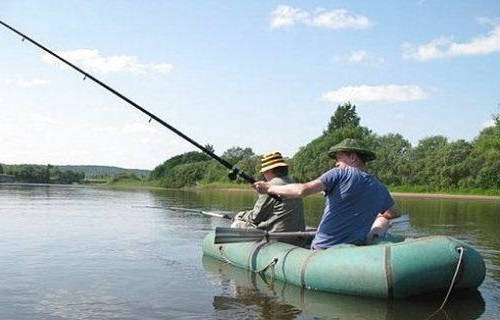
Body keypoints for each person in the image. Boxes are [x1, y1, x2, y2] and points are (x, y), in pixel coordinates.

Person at [254, 138, 400, 250]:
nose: (336, 163)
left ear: (353, 157)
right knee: (383, 220)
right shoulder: (380, 187)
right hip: (354, 250)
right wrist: (376, 215)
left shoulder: (339, 174)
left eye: (339, 158)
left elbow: (302, 190)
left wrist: (269, 188)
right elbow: (394, 213)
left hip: (324, 249)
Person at [231, 152, 305, 244]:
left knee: (237, 224)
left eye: (264, 172)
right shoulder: (293, 183)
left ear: (270, 170)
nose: (263, 175)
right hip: (297, 238)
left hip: (278, 239)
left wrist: (241, 215)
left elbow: (255, 217)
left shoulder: (270, 187)